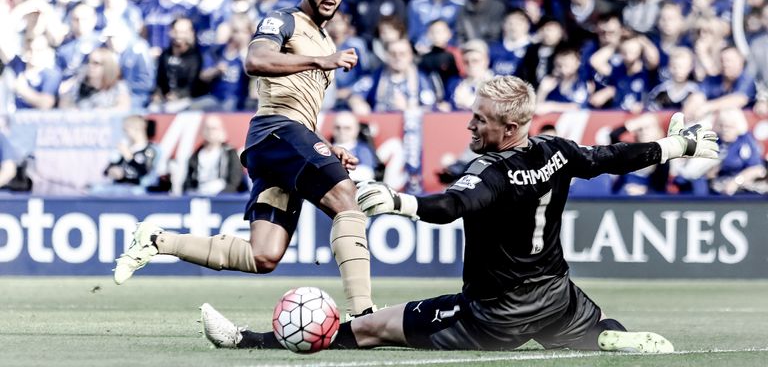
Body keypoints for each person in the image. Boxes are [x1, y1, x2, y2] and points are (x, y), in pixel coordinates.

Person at [200, 75, 718, 352]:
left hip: (491, 315)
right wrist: (676, 147)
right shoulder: (557, 150)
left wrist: (399, 203)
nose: (470, 126)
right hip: (558, 297)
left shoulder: (489, 172)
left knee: (373, 329)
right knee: (593, 330)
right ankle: (608, 334)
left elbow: (451, 206)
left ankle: (250, 340)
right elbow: (612, 157)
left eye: (481, 120)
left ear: (510, 128)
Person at [113, 0, 377, 319]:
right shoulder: (284, 20)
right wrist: (322, 61)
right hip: (274, 134)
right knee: (346, 197)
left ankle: (157, 241)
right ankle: (365, 315)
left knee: (263, 254)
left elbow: (299, 106)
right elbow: (255, 61)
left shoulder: (323, 37)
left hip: (288, 141)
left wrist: (328, 147)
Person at [182, 115, 246, 196]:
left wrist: (221, 196)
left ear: (221, 130)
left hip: (222, 199)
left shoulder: (230, 153)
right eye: (207, 128)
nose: (210, 132)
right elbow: (187, 183)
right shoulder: (195, 156)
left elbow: (235, 181)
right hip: (199, 197)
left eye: (214, 129)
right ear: (203, 131)